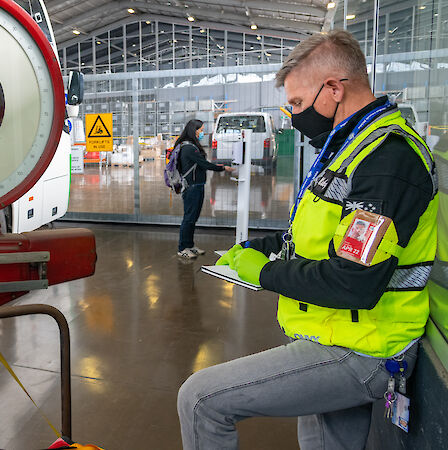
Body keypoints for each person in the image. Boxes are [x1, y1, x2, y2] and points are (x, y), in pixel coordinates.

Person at [177, 30, 437, 449]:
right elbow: (320, 235)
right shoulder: (349, 149)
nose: (295, 116)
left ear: (334, 89)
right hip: (333, 333)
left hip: (362, 349)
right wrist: (260, 248)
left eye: (297, 103)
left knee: (201, 399)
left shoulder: (389, 160)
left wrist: (266, 272)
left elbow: (354, 280)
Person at [175, 119, 234, 258]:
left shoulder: (192, 146)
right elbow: (204, 164)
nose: (203, 133)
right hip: (192, 188)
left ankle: (190, 245)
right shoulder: (188, 148)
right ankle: (182, 248)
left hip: (197, 186)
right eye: (201, 130)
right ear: (193, 130)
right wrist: (223, 168)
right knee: (189, 218)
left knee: (193, 218)